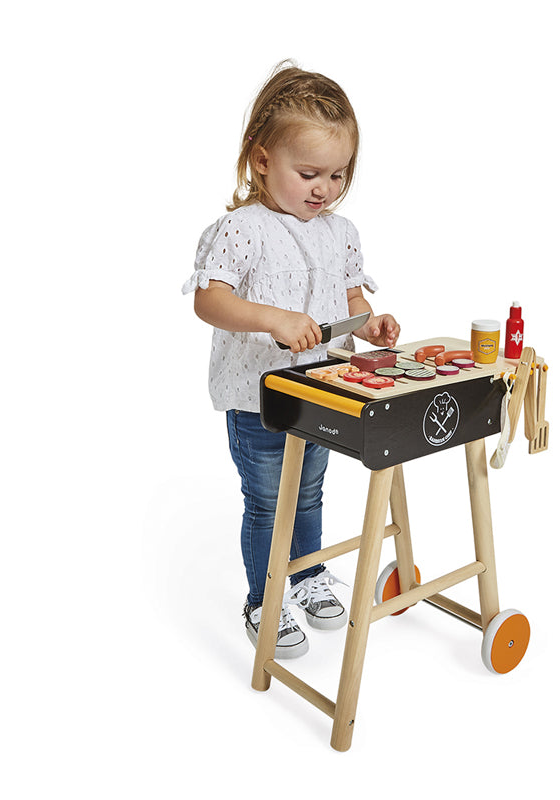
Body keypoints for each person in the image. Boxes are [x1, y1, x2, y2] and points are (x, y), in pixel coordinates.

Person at [182, 63, 400, 659]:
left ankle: (306, 575)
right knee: (268, 502)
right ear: (261, 160)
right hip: (259, 398)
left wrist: (371, 322)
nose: (323, 188)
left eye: (337, 174)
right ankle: (266, 597)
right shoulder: (241, 229)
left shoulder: (340, 231)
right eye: (308, 174)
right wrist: (274, 319)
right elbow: (209, 300)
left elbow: (351, 299)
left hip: (322, 389)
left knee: (308, 492)